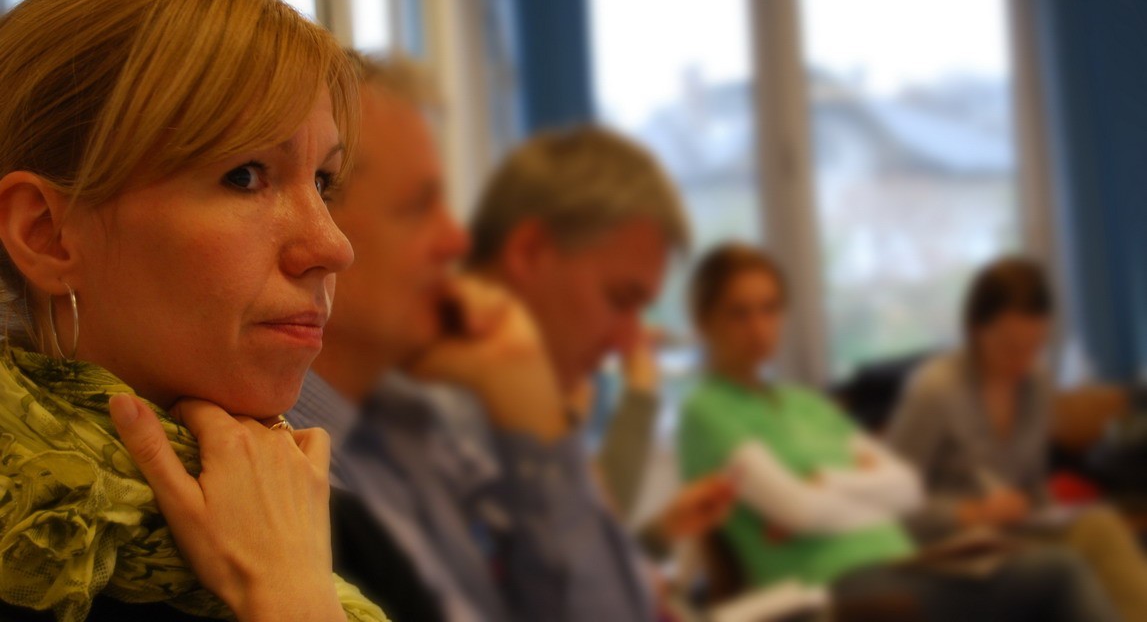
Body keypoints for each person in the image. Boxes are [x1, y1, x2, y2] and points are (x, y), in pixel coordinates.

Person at [0, 0, 387, 622]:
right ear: (46, 234)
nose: (332, 246)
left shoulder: (317, 516)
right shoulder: (32, 561)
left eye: (323, 182)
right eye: (245, 176)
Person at [287, 57, 734, 621]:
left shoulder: (406, 422)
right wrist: (540, 417)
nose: (456, 241)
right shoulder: (298, 479)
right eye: (420, 206)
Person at [678, 243, 1118, 622]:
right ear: (703, 321)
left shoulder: (806, 403)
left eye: (770, 309)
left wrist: (826, 484)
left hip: (908, 562)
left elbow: (906, 487)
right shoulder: (705, 411)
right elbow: (801, 510)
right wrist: (864, 495)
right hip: (832, 584)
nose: (759, 328)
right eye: (739, 314)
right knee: (1059, 575)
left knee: (1073, 556)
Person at [887, 255, 1147, 621]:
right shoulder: (935, 390)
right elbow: (890, 504)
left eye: (1035, 346)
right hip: (951, 549)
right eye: (1009, 347)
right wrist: (968, 513)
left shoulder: (1036, 382)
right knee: (1062, 566)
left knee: (1100, 524)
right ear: (975, 329)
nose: (1023, 361)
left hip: (1013, 535)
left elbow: (1034, 485)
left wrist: (1031, 503)